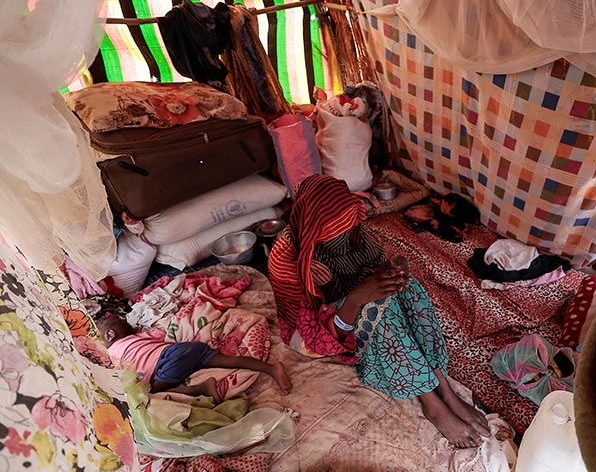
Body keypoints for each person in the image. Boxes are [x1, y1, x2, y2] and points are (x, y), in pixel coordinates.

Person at [268, 174, 489, 448]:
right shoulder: (285, 260)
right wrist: (355, 299)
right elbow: (312, 341)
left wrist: (392, 274)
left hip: (348, 303)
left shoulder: (354, 235)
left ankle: (441, 384)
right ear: (313, 227)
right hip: (317, 333)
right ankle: (430, 401)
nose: (346, 237)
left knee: (407, 287)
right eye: (334, 232)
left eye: (349, 227)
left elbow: (374, 267)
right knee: (378, 308)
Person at [96, 313, 292, 402]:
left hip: (169, 360)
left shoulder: (111, 353)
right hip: (187, 349)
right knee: (228, 361)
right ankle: (272, 368)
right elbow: (161, 334)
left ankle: (202, 388)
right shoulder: (139, 336)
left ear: (109, 336)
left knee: (148, 394)